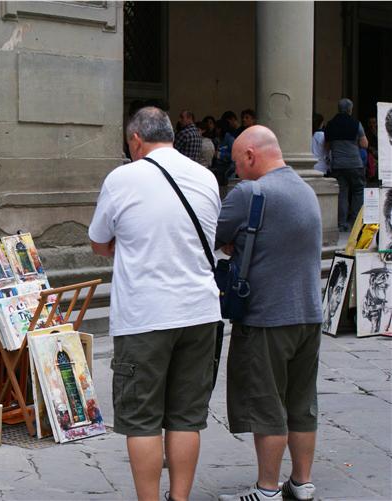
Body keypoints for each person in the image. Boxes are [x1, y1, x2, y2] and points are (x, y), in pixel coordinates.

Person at [89, 106, 221, 501]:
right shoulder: (206, 177)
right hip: (200, 313)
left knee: (142, 420)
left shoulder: (122, 178)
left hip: (144, 316)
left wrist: (126, 243)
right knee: (186, 418)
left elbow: (99, 242)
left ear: (135, 140)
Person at [216, 126, 322, 501]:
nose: (235, 171)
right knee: (302, 403)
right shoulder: (306, 190)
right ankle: (302, 482)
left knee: (267, 405)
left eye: (235, 163)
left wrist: (237, 244)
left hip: (266, 317)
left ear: (250, 155)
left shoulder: (249, 193)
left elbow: (216, 235)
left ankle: (266, 489)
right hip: (310, 314)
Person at [325, 98, 368, 231]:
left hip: (338, 165)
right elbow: (364, 144)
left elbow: (326, 147)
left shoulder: (330, 124)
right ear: (350, 109)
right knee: (358, 191)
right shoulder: (356, 124)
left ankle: (342, 223)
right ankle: (355, 222)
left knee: (342, 193)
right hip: (355, 164)